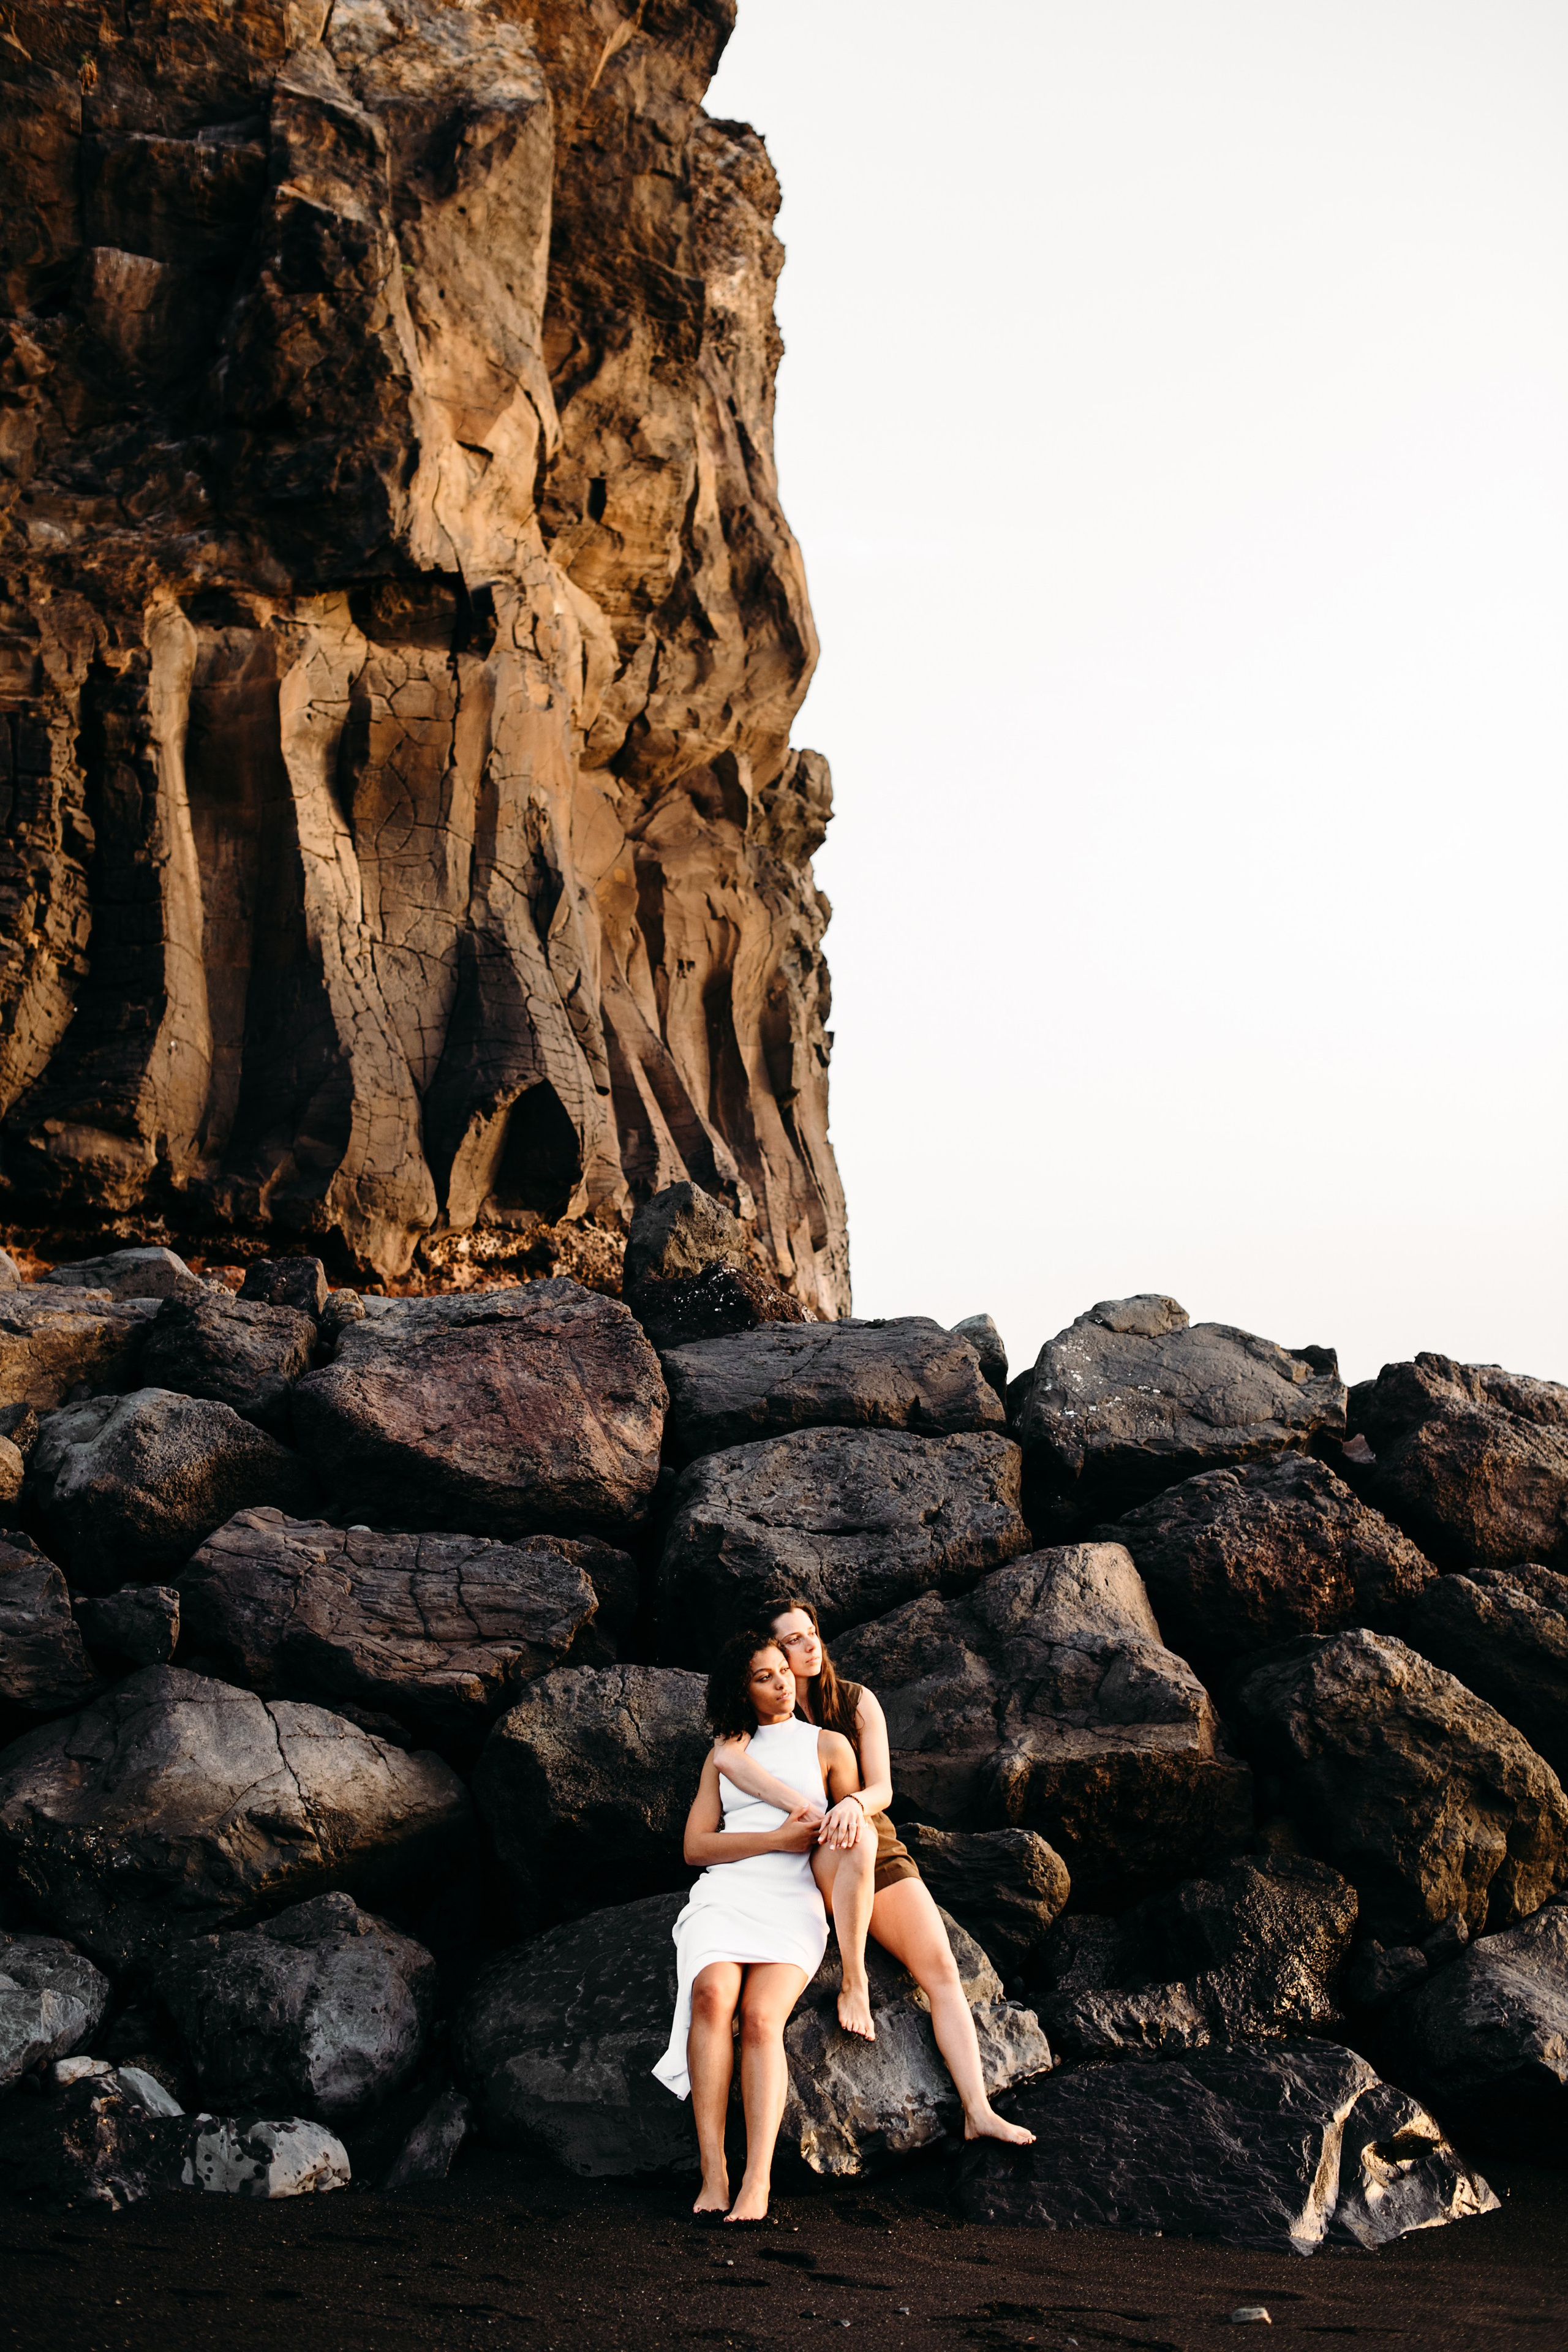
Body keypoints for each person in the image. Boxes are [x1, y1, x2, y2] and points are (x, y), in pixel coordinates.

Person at [711, 1595, 1035, 2148]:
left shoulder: (856, 1702)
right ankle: (854, 1982)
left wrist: (852, 1806)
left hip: (868, 1840)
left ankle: (978, 2110)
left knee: (941, 1969)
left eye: (810, 1632)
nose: (808, 1646)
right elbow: (726, 1759)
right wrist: (806, 1808)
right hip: (801, 1851)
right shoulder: (755, 1713)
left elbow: (882, 1788)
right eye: (791, 1640)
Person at [653, 1629, 866, 2222]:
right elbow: (696, 1847)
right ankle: (714, 2171)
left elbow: (851, 1836)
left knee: (760, 2018)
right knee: (711, 1994)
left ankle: (758, 2180)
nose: (780, 1684)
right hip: (728, 1891)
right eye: (763, 1677)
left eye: (783, 1671)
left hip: (793, 1897)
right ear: (741, 1690)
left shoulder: (828, 1744)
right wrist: (774, 1838)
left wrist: (851, 1808)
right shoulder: (726, 1751)